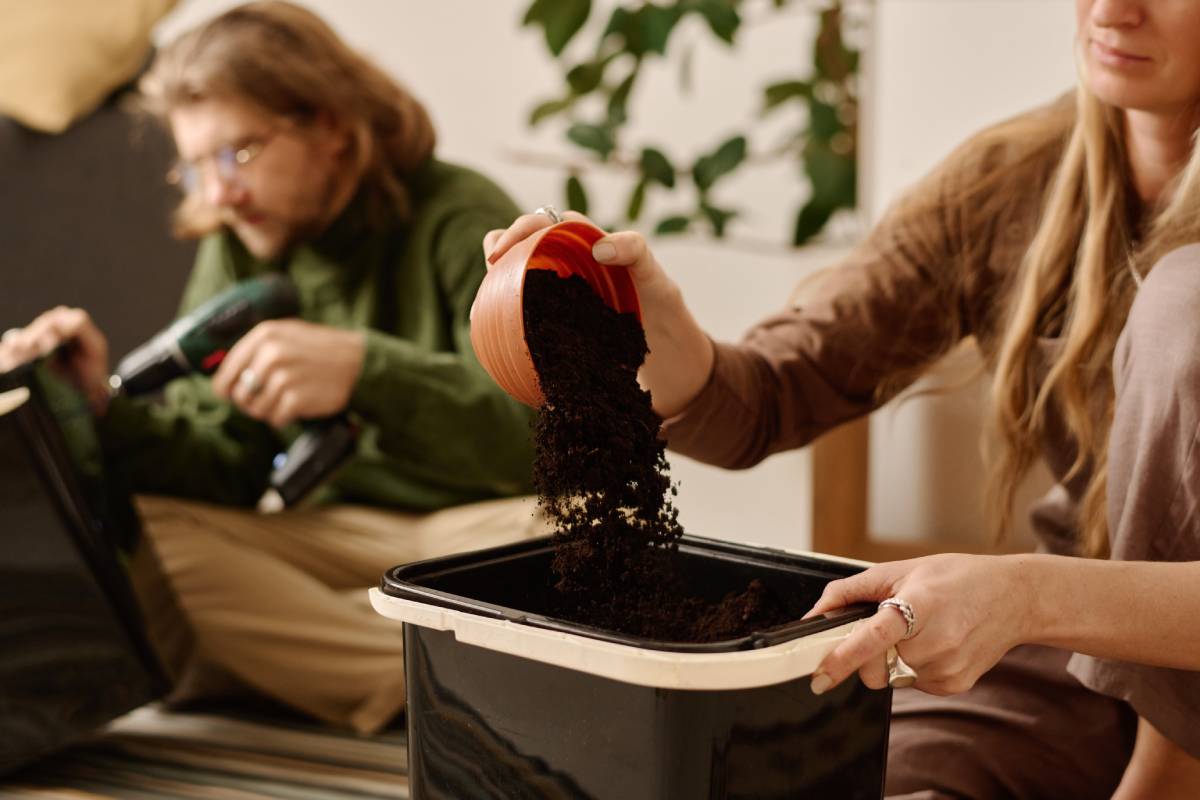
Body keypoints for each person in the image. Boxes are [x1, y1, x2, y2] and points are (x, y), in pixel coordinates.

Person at [485, 0, 1200, 796]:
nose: (1113, 10)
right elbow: (772, 392)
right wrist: (653, 330)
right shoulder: (1011, 180)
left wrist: (1025, 592)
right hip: (1069, 656)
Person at [0, 1, 542, 734]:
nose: (219, 192)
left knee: (587, 530)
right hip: (330, 536)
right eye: (196, 165)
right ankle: (473, 675)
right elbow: (225, 467)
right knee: (146, 537)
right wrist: (99, 405)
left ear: (330, 123)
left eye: (241, 152)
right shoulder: (237, 244)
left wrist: (366, 371)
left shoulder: (458, 212)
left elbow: (541, 440)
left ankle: (319, 664)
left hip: (476, 527)